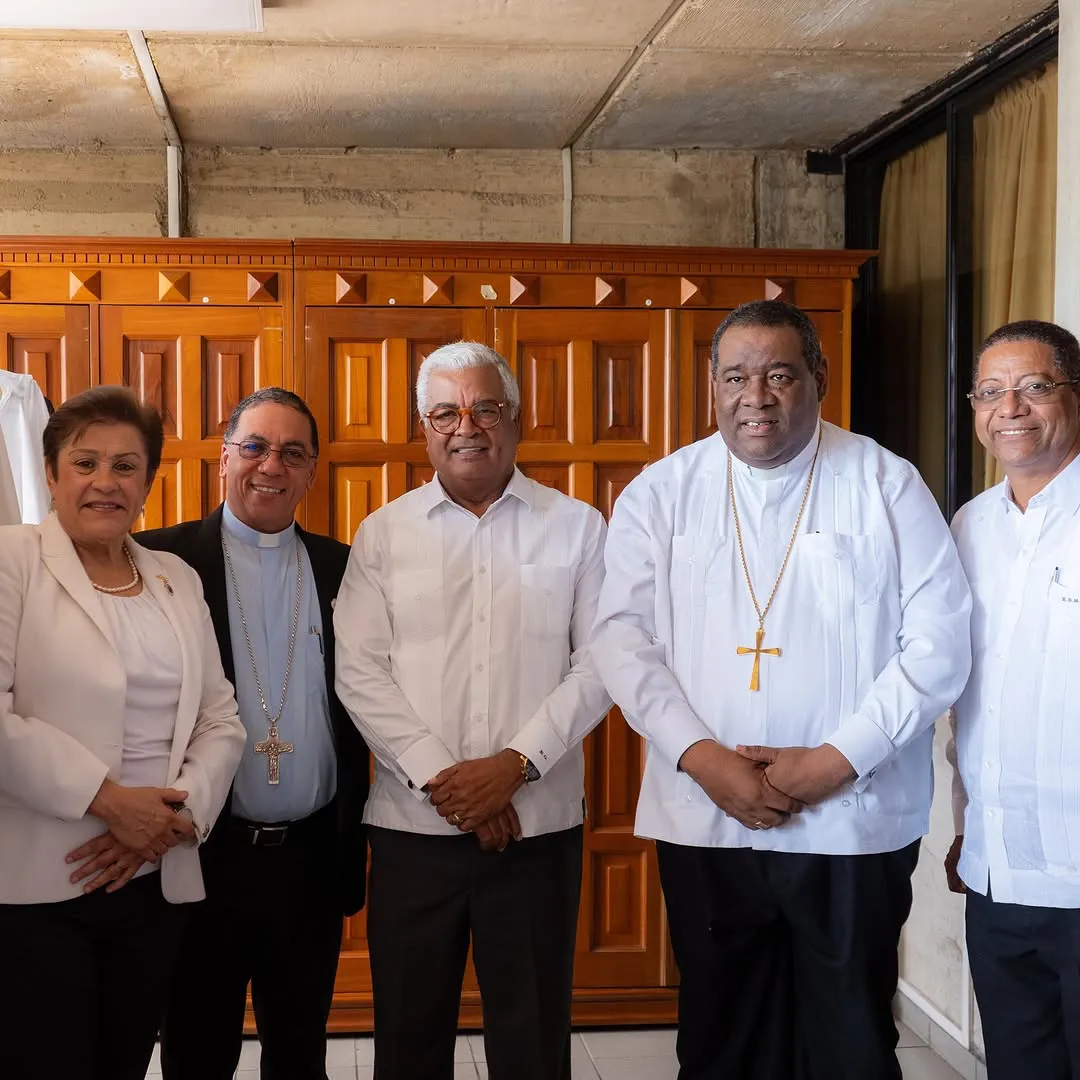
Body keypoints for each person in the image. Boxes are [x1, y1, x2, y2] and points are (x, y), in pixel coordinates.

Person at [593, 299, 972, 1080]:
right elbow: (621, 640)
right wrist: (702, 757)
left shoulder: (883, 481)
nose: (754, 396)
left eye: (778, 375)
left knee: (849, 1038)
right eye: (735, 376)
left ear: (818, 379)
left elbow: (938, 644)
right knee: (720, 1035)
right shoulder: (662, 493)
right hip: (706, 812)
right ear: (712, 386)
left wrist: (836, 760)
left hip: (850, 819)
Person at [334, 341, 611, 1080]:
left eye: (486, 407)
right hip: (412, 833)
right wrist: (448, 781)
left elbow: (604, 662)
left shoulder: (578, 527)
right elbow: (359, 672)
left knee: (532, 1037)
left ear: (515, 419)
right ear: (423, 427)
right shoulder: (382, 535)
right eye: (446, 411)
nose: (468, 425)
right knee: (409, 1033)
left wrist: (513, 767)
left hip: (537, 830)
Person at [0, 386, 246, 1080]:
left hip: (152, 878)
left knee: (123, 1063)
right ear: (51, 474)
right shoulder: (10, 560)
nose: (105, 481)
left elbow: (221, 718)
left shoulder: (176, 578)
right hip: (36, 890)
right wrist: (111, 802)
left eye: (126, 466)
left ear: (147, 483)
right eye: (85, 462)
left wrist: (172, 818)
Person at [138, 387, 369, 1080]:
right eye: (255, 447)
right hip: (202, 854)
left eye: (292, 453)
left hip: (311, 857)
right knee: (196, 1050)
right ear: (223, 458)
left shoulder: (346, 567)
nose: (272, 465)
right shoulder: (159, 563)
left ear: (311, 471)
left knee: (299, 1053)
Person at [946, 319, 1080, 1080]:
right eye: (991, 392)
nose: (1012, 408)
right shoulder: (970, 527)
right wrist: (968, 826)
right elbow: (975, 695)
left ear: (1073, 393)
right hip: (996, 874)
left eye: (1035, 386)